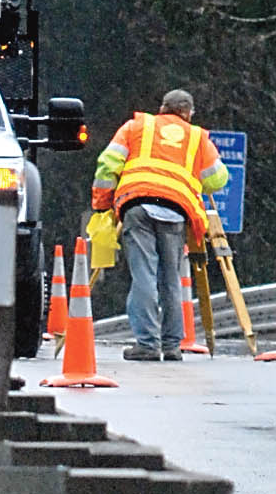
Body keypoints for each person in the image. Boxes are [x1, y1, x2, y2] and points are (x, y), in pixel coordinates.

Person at [91, 89, 229, 360]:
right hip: (176, 210)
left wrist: (102, 205)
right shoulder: (197, 138)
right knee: (171, 279)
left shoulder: (136, 126)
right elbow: (217, 179)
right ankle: (171, 345)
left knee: (144, 273)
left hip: (137, 204)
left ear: (162, 108)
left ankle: (147, 343)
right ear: (188, 113)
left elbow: (107, 165)